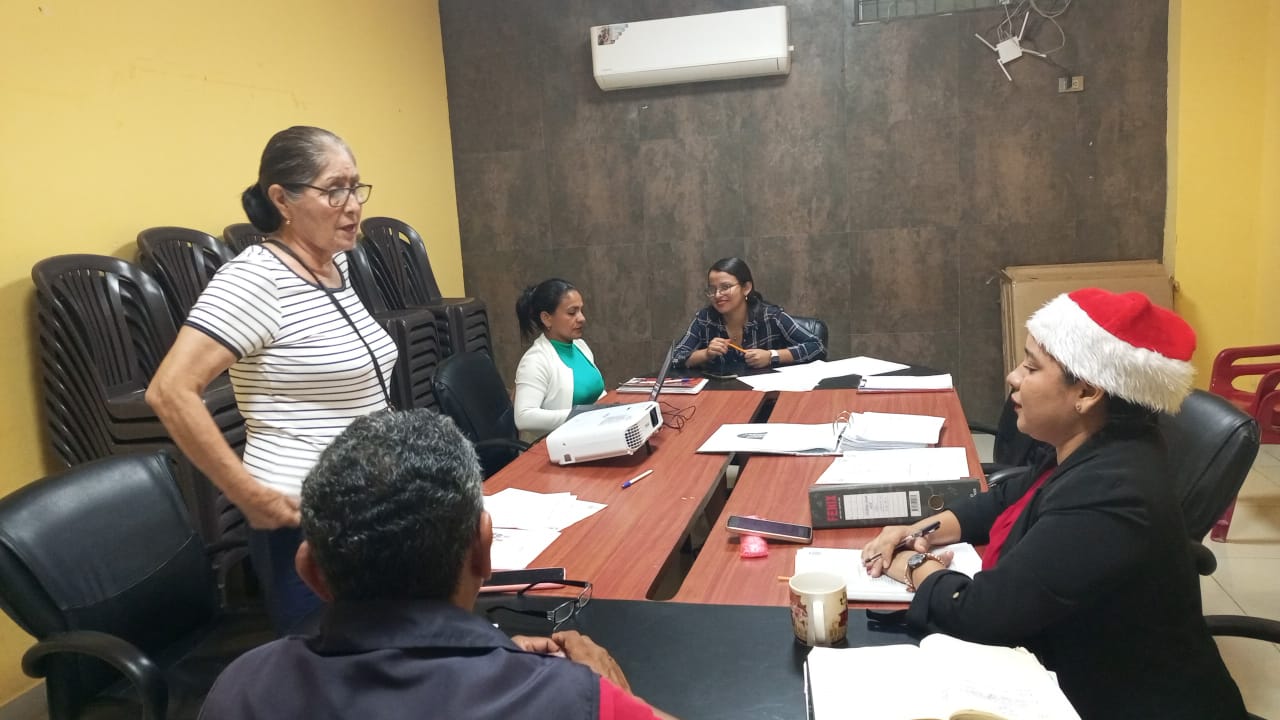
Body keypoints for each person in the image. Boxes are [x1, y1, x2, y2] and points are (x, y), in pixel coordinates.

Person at [860, 289, 1246, 720]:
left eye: (1031, 366)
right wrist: (918, 532)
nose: (1013, 377)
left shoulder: (1112, 491)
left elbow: (984, 614)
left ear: (1087, 391)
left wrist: (913, 565)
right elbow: (1007, 497)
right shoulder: (1095, 444)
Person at [199, 409, 678, 720]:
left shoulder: (242, 690)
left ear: (311, 572)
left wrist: (498, 661)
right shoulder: (569, 700)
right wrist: (615, 698)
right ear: (483, 548)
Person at [147, 126, 396, 634]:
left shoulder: (335, 266)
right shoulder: (256, 279)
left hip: (367, 503)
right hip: (305, 519)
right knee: (331, 664)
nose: (353, 205)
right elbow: (170, 391)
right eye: (335, 190)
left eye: (355, 187)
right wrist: (250, 497)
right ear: (282, 199)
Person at [672, 257, 823, 375]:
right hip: (721, 395)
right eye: (712, 289)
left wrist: (771, 356)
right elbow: (676, 357)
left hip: (768, 394)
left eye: (725, 287)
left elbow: (816, 346)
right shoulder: (704, 319)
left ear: (746, 288)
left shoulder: (770, 316)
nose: (717, 295)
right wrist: (705, 354)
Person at [513, 278, 605, 437]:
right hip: (562, 441)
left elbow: (596, 393)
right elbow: (523, 417)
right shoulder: (535, 360)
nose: (582, 318)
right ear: (546, 318)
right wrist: (581, 415)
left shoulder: (580, 346)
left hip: (593, 431)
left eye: (581, 310)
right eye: (572, 312)